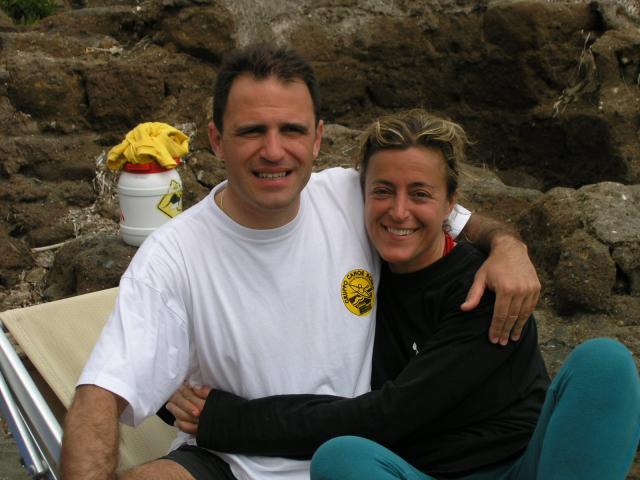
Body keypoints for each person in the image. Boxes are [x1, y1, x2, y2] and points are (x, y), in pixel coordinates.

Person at [61, 45, 541, 480]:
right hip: (229, 459)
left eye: (291, 130)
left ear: (317, 139)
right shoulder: (173, 254)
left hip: (358, 458)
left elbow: (443, 216)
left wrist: (507, 247)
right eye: (252, 131)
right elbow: (102, 391)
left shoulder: (351, 195)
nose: (273, 151)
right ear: (217, 139)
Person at [168, 109, 640, 480]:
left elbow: (387, 415)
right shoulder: (358, 264)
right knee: (341, 460)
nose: (398, 212)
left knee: (605, 363)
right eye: (383, 191)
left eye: (420, 194)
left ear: (451, 203)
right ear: (361, 196)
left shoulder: (482, 289)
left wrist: (231, 420)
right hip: (418, 474)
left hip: (519, 467)